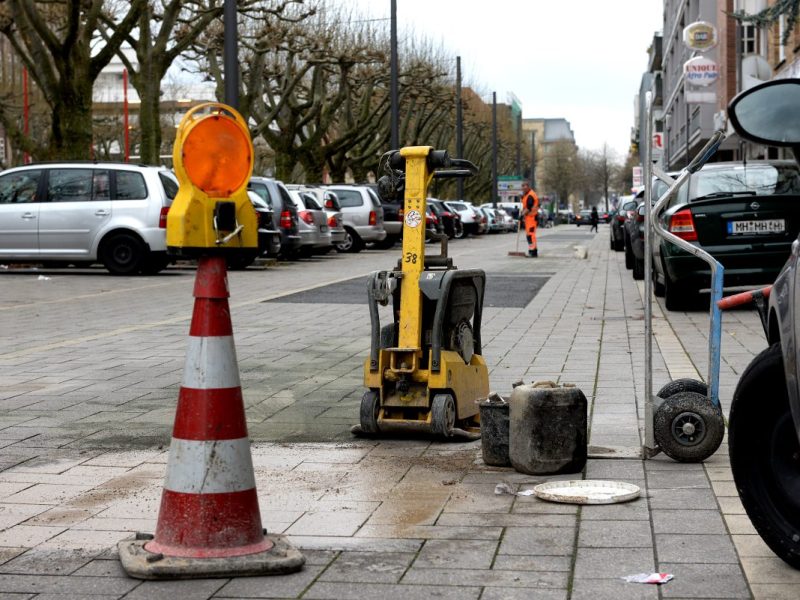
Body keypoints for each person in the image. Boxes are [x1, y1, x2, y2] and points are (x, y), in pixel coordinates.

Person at [520, 180, 540, 257]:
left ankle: (533, 251)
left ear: (528, 187)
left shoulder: (530, 195)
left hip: (532, 217)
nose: (523, 189)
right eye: (522, 187)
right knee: (529, 235)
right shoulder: (527, 195)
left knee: (531, 235)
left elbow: (529, 207)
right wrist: (522, 197)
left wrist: (521, 215)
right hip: (529, 218)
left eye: (525, 187)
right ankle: (532, 250)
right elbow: (525, 206)